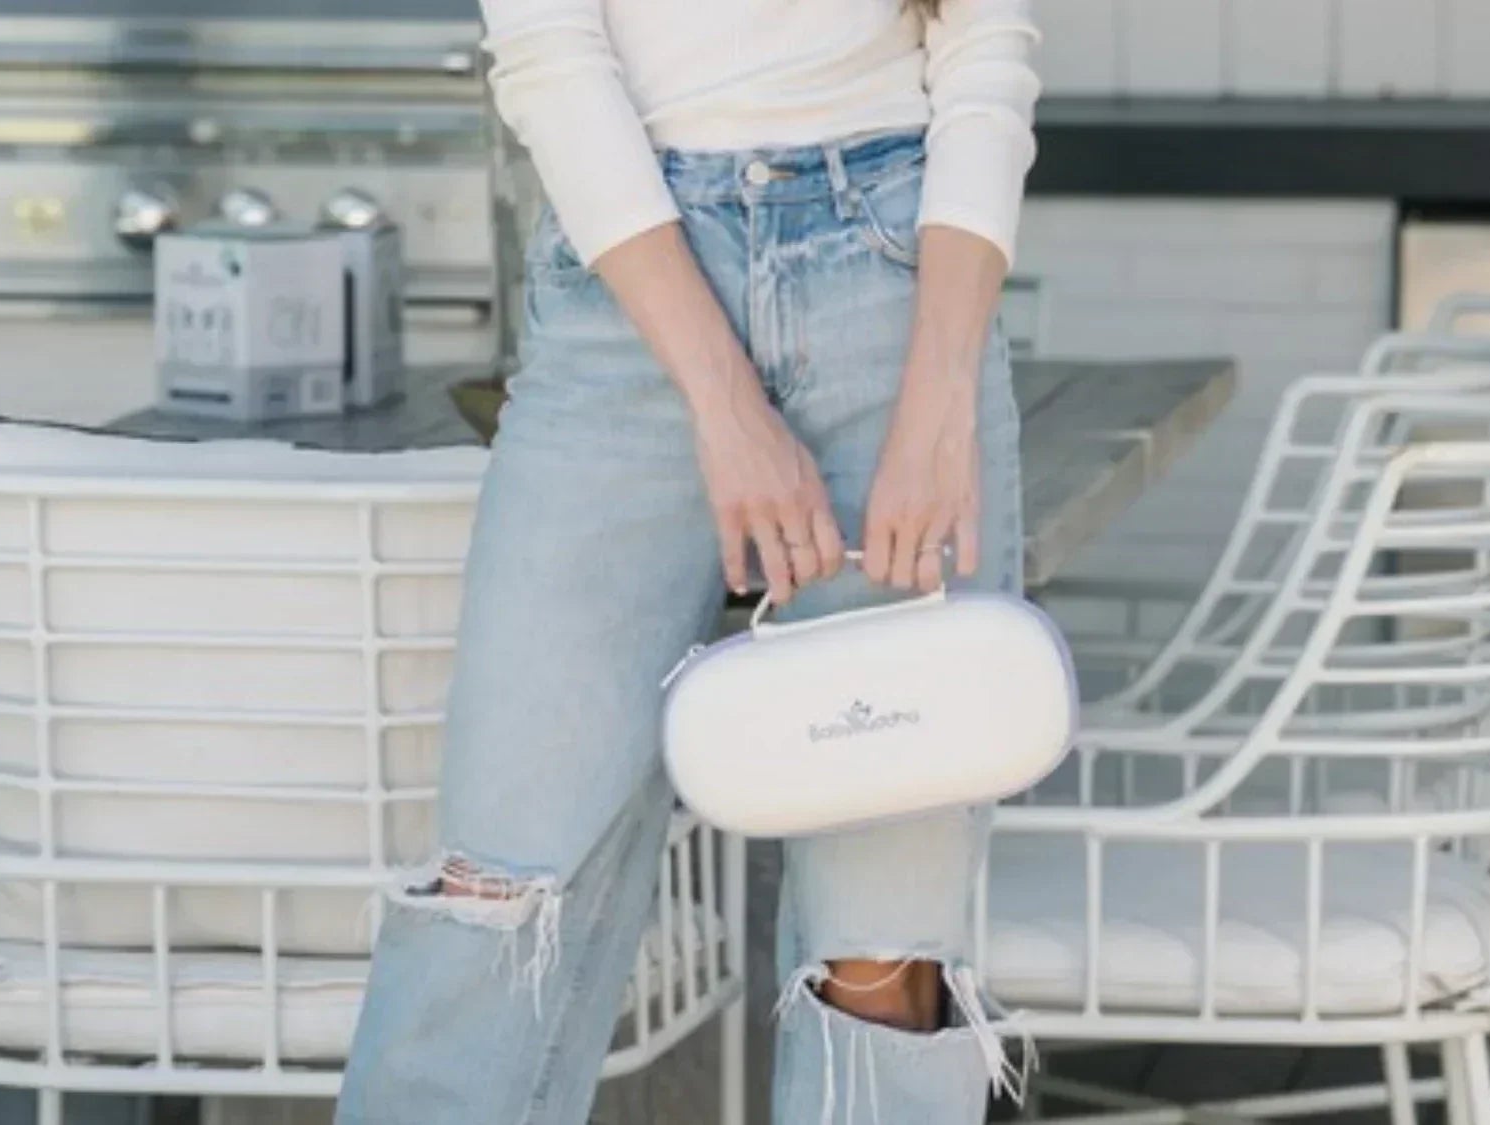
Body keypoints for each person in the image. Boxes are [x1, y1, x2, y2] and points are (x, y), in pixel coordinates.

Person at [338, 0, 1040, 1121]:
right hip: (630, 301)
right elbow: (549, 57)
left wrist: (941, 392)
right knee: (495, 884)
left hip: (896, 290)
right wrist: (723, 403)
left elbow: (986, 50)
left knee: (882, 952)